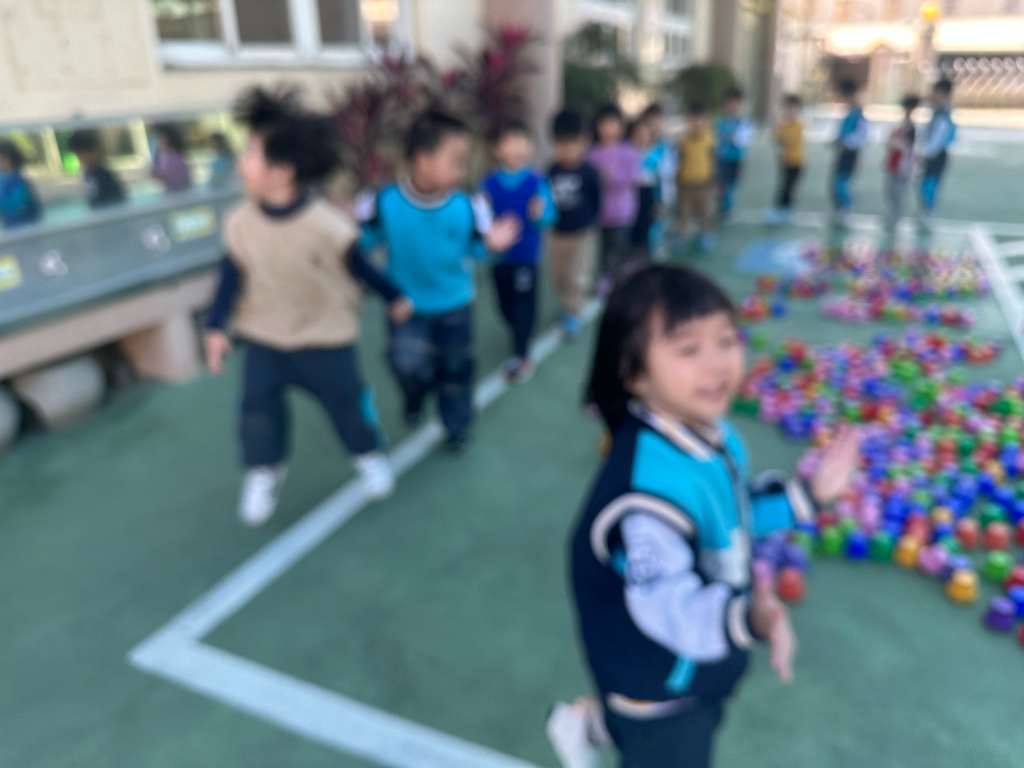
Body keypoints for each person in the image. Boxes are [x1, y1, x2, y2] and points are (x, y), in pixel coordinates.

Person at [547, 264, 861, 768]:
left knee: (699, 712)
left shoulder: (711, 433)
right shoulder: (644, 502)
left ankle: (586, 726)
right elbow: (673, 610)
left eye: (726, 340)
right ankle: (605, 723)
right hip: (657, 685)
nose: (717, 364)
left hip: (695, 664)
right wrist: (750, 619)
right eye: (689, 349)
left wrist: (806, 496)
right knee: (672, 743)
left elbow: (730, 516)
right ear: (633, 374)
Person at [204, 85, 412, 527]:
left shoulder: (327, 226)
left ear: (282, 172)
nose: (241, 163)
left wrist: (395, 297)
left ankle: (367, 455)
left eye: (250, 154)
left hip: (325, 337)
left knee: (348, 406)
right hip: (265, 337)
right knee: (257, 409)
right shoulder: (239, 223)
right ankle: (265, 469)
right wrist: (216, 326)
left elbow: (361, 267)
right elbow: (230, 275)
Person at [359, 110, 520, 453]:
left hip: (455, 303)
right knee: (405, 364)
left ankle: (456, 426)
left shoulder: (468, 205)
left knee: (457, 370)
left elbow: (479, 248)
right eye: (455, 161)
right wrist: (348, 230)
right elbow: (363, 243)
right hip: (406, 307)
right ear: (423, 160)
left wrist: (494, 246)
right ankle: (415, 395)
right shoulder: (384, 201)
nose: (462, 171)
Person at [480, 118, 556, 384]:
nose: (518, 147)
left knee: (525, 305)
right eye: (510, 142)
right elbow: (480, 219)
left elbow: (550, 216)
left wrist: (540, 214)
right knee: (504, 305)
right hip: (499, 258)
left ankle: (522, 353)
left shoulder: (537, 181)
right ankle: (519, 332)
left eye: (523, 141)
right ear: (495, 148)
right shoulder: (488, 183)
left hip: (526, 257)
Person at [548, 108, 602, 341]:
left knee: (578, 274)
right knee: (558, 274)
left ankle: (573, 311)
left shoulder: (589, 172)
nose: (567, 149)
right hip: (556, 234)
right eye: (561, 143)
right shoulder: (551, 170)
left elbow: (596, 199)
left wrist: (590, 221)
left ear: (584, 142)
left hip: (582, 234)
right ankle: (566, 302)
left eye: (573, 143)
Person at [587, 104, 639, 295]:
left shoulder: (628, 151)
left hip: (622, 212)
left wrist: (611, 177)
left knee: (618, 248)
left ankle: (618, 280)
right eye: (603, 124)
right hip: (600, 212)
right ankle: (604, 278)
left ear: (621, 126)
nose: (608, 128)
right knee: (602, 249)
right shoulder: (592, 152)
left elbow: (632, 178)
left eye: (612, 123)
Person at [675, 104, 717, 251]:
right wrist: (677, 182)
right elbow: (678, 161)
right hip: (686, 185)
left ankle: (705, 233)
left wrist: (715, 182)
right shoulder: (683, 141)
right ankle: (681, 235)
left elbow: (714, 160)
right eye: (693, 120)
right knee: (683, 212)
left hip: (704, 185)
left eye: (700, 120)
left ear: (706, 121)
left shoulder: (710, 140)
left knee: (706, 212)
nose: (697, 124)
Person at [639, 103, 676, 262]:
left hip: (661, 197)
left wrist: (665, 198)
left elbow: (669, 173)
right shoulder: (637, 146)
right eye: (651, 120)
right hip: (643, 198)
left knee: (659, 230)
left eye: (658, 119)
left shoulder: (665, 146)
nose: (655, 124)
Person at [918, 78, 956, 230]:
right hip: (932, 154)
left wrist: (924, 153)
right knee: (925, 184)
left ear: (944, 95)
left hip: (936, 155)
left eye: (936, 93)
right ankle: (925, 211)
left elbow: (937, 140)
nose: (932, 96)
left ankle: (929, 213)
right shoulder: (937, 111)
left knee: (930, 185)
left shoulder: (943, 115)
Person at [830, 79, 868, 227]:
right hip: (842, 153)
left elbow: (861, 135)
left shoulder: (858, 114)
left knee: (842, 183)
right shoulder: (848, 113)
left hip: (850, 154)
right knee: (836, 182)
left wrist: (845, 143)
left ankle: (846, 209)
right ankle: (838, 209)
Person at [714, 87, 754, 221]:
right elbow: (714, 139)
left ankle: (728, 208)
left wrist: (735, 138)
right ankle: (723, 207)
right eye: (731, 102)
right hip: (721, 159)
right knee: (721, 185)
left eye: (736, 102)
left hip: (736, 159)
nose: (733, 105)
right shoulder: (719, 120)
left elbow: (745, 142)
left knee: (732, 185)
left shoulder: (743, 121)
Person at [765, 94, 804, 225]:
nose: (791, 111)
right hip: (784, 162)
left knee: (789, 187)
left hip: (796, 162)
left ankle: (786, 210)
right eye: (789, 107)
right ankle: (781, 209)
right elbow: (775, 140)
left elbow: (787, 142)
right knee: (783, 186)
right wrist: (775, 126)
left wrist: (779, 131)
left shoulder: (798, 125)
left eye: (795, 108)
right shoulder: (781, 124)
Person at [883, 94, 920, 231]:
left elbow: (910, 146)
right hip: (894, 162)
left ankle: (896, 216)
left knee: (899, 192)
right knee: (891, 191)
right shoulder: (900, 125)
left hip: (904, 165)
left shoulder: (912, 127)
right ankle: (892, 213)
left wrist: (896, 143)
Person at [628, 117, 661, 265]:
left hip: (648, 194)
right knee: (631, 231)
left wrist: (659, 201)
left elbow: (662, 180)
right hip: (630, 195)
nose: (641, 137)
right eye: (637, 134)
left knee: (648, 230)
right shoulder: (627, 154)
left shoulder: (656, 155)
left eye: (645, 134)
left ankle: (647, 260)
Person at [67, 129, 127, 209]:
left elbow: (115, 203)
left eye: (81, 155)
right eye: (78, 155)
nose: (80, 159)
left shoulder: (104, 176)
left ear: (95, 150)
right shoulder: (89, 175)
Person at [0, 139, 42, 229]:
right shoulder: (3, 178)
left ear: (8, 159)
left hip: (26, 227)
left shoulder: (19, 180)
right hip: (11, 226)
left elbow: (18, 204)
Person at [151, 123, 193, 193]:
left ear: (168, 138)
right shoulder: (164, 155)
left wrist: (157, 174)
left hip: (179, 193)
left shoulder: (176, 156)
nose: (158, 141)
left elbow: (175, 178)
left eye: (160, 137)